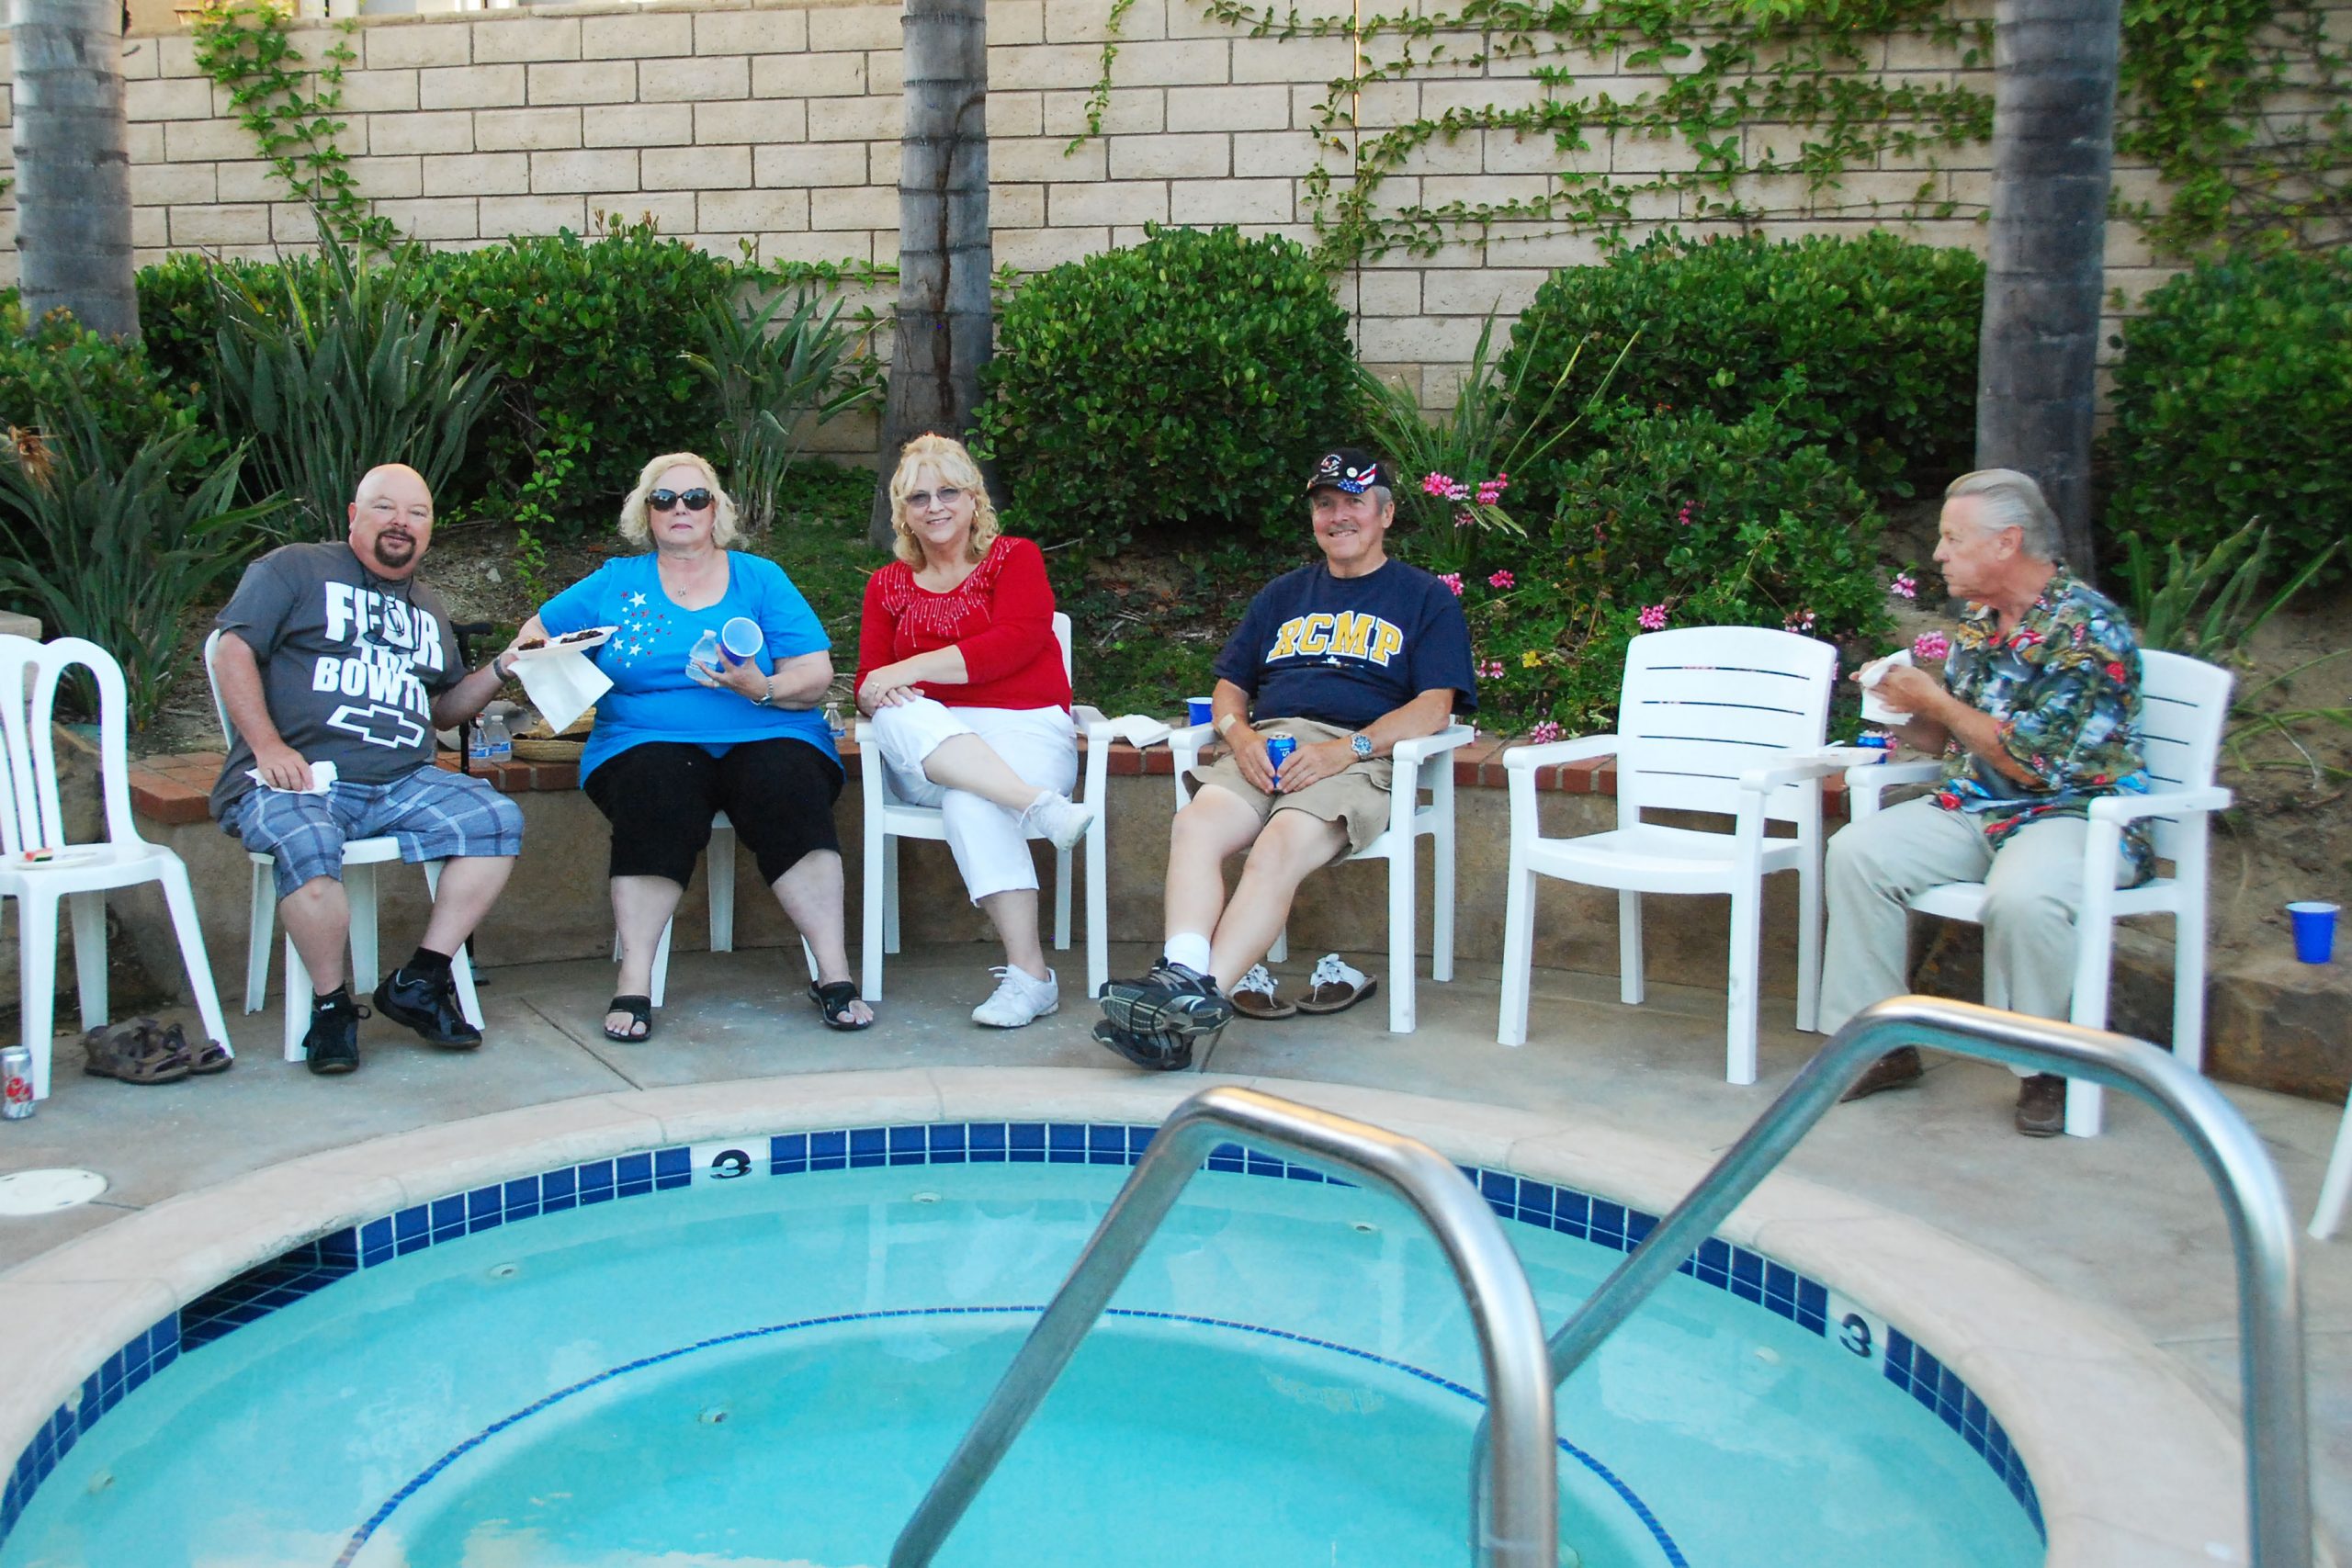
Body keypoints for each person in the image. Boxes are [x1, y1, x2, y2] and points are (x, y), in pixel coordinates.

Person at [1094, 447, 1476, 1070]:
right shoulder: (1283, 595)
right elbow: (1229, 688)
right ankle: (1181, 978)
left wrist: (1345, 750)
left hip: (1357, 754)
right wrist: (1240, 737)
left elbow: (1435, 707)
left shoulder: (1424, 598)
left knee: (1274, 850)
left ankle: (1191, 1001)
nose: (1338, 515)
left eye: (1353, 502)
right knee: (1195, 825)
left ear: (1385, 514)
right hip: (1267, 746)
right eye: (1325, 504)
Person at [1822, 468, 2149, 1136]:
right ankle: (1880, 1045)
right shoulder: (1979, 622)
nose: (1938, 553)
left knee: (2025, 896)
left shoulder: (2086, 629)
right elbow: (1952, 739)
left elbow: (2034, 763)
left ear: (2007, 543)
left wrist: (1937, 701)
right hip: (1982, 804)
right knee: (1858, 853)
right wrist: (1898, 705)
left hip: (2077, 813)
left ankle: (2047, 1066)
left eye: (1952, 538)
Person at [521, 453, 871, 1039]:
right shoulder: (615, 581)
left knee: (787, 785)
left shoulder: (760, 577)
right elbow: (533, 635)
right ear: (646, 513)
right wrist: (564, 671)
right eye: (663, 499)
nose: (679, 508)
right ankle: (634, 980)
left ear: (715, 511)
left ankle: (833, 974)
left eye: (695, 497)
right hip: (645, 739)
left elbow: (814, 673)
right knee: (656, 789)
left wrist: (762, 687)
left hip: (766, 729)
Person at [209, 463, 525, 1077]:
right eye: (385, 507)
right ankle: (331, 1008)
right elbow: (232, 649)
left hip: (402, 780)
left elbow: (442, 710)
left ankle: (420, 981)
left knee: (495, 818)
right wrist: (268, 746)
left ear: (429, 529)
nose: (401, 522)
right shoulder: (294, 568)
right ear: (354, 516)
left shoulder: (427, 607)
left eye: (417, 513)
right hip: (303, 777)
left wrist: (501, 668)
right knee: (307, 840)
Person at [856, 434, 1096, 1027]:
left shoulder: (1015, 558)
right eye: (919, 497)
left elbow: (1013, 643)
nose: (934, 506)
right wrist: (874, 690)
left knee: (971, 798)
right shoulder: (886, 585)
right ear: (903, 511)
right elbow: (868, 680)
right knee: (894, 712)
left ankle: (1030, 977)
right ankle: (1037, 806)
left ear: (973, 499)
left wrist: (908, 669)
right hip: (929, 749)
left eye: (948, 492)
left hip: (1025, 731)